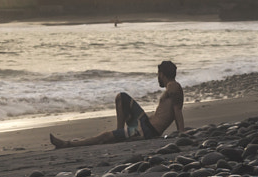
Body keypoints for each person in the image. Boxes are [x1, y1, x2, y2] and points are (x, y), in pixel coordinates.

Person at [51, 62, 187, 148]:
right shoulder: (172, 87)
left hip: (148, 131)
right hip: (145, 123)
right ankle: (119, 133)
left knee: (104, 137)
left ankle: (68, 144)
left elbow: (177, 110)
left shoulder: (173, 87)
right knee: (121, 97)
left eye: (158, 74)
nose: (157, 77)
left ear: (162, 74)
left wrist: (182, 132)